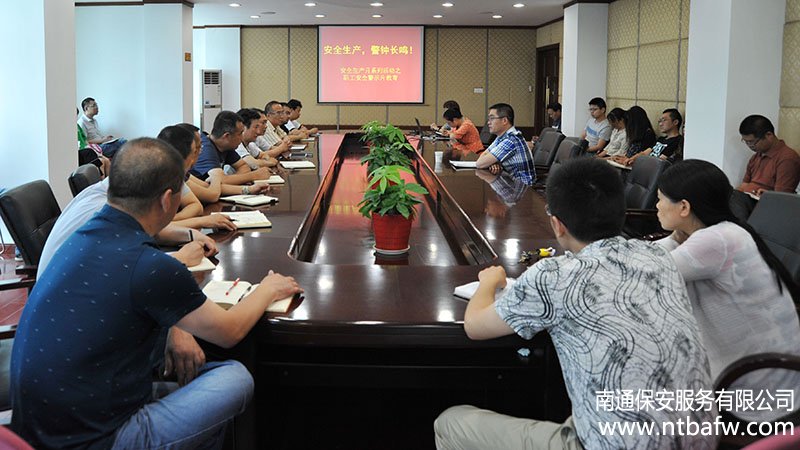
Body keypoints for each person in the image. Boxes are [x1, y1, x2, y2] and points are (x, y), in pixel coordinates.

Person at [12, 138, 304, 448]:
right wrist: (268, 289)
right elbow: (229, 331)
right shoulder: (149, 265)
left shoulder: (83, 234)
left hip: (35, 429)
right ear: (167, 200)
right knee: (235, 377)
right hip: (99, 439)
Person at [434, 157, 716, 450]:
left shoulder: (554, 275)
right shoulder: (658, 257)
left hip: (618, 444)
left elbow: (475, 326)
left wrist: (488, 280)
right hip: (702, 439)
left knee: (449, 423)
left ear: (557, 225)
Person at [656, 159, 800, 421]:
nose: (657, 206)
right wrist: (675, 236)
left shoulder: (715, 240)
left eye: (660, 199)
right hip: (768, 377)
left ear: (684, 207)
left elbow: (643, 270)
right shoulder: (727, 230)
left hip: (756, 393)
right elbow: (655, 259)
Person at [156, 125, 237, 231]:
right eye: (196, 149)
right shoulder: (154, 177)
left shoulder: (177, 173)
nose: (200, 152)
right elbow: (154, 229)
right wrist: (202, 221)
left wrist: (170, 221)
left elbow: (196, 206)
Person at [189, 110, 272, 195]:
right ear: (227, 136)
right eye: (240, 134)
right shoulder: (205, 148)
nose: (242, 137)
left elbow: (243, 166)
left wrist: (232, 180)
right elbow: (219, 180)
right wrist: (254, 175)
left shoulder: (226, 146)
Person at [737, 114, 800, 195]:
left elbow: (781, 197)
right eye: (746, 142)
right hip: (747, 198)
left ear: (769, 135)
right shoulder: (756, 157)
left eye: (752, 142)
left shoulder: (787, 159)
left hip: (764, 201)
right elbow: (744, 185)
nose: (750, 146)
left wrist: (766, 194)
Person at [476, 103, 536, 185]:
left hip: (522, 187)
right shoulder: (501, 137)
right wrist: (493, 162)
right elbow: (483, 155)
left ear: (504, 121)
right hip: (511, 182)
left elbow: (479, 163)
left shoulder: (511, 140)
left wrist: (491, 161)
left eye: (492, 118)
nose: (488, 122)